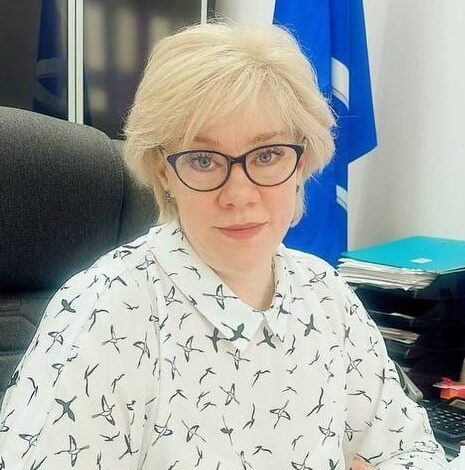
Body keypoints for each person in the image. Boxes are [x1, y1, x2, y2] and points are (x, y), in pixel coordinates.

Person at [0, 22, 449, 470]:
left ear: (301, 162)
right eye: (203, 160)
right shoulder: (105, 311)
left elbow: (409, 450)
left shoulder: (326, 295)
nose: (239, 194)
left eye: (268, 154)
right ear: (164, 171)